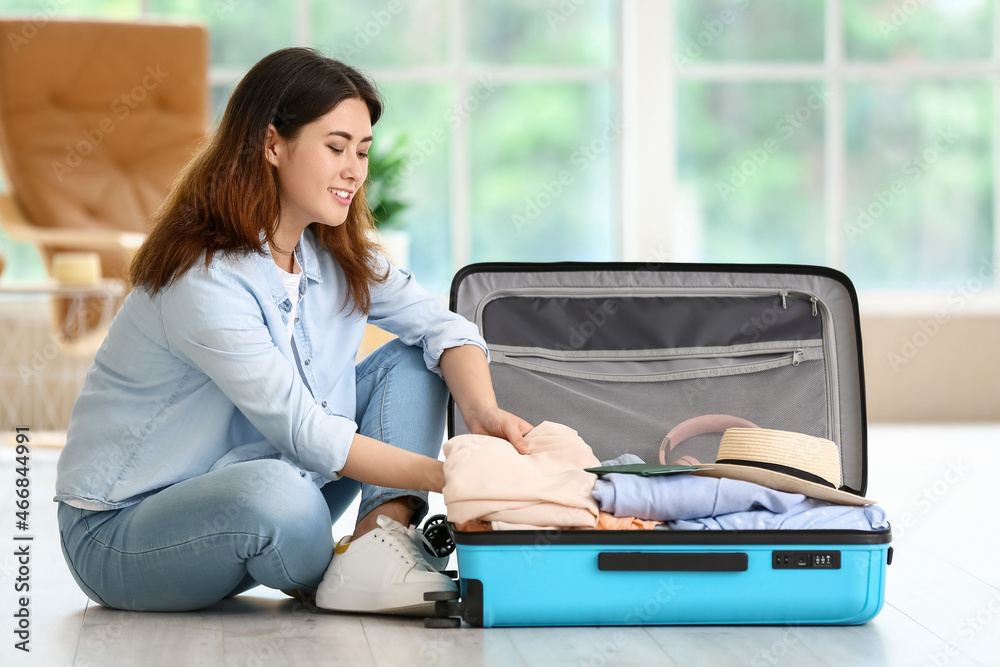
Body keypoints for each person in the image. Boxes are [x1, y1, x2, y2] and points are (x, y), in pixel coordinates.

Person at [53, 47, 532, 615]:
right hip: (122, 533)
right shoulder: (203, 278)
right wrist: (461, 477)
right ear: (272, 144)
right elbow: (309, 435)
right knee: (278, 496)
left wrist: (482, 415)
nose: (354, 170)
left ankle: (382, 547)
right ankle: (352, 570)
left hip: (281, 490)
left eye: (362, 150)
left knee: (411, 360)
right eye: (335, 148)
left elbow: (444, 328)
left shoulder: (331, 253)